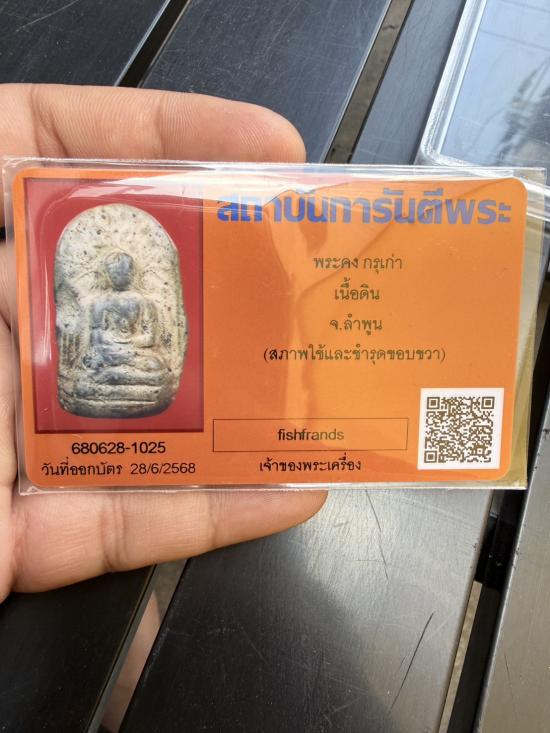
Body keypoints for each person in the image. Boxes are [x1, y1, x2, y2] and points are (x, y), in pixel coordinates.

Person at [0, 83, 327, 603]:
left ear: (132, 270)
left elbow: (156, 339)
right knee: (102, 367)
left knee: (148, 369)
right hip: (104, 365)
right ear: (105, 272)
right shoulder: (97, 303)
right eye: (112, 269)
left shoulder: (145, 301)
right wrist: (99, 354)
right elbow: (88, 338)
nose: (119, 274)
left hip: (136, 365)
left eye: (125, 269)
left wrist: (136, 356)